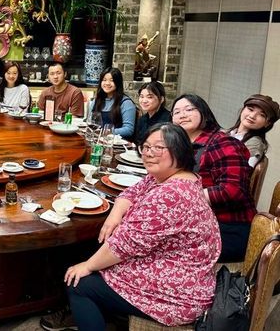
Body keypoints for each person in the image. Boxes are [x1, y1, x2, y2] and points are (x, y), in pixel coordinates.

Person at [44, 123, 220, 331]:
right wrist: (114, 216)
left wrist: (88, 266)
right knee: (91, 253)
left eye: (158, 148)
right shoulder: (175, 178)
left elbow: (124, 246)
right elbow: (131, 193)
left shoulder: (170, 194)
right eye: (145, 147)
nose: (148, 153)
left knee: (78, 283)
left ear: (179, 150)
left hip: (177, 294)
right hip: (176, 271)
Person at [171, 94, 255, 262]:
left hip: (227, 228)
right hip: (197, 222)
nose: (182, 115)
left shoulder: (223, 143)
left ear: (204, 112)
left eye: (189, 109)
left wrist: (181, 198)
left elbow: (232, 190)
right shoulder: (183, 146)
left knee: (154, 243)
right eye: (176, 112)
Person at [227, 94, 279, 167]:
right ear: (243, 109)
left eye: (262, 115)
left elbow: (241, 171)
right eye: (250, 109)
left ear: (267, 123)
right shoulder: (226, 133)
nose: (252, 116)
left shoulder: (255, 144)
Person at [89, 67, 137, 139]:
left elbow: (128, 130)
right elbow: (89, 121)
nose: (107, 83)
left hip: (117, 143)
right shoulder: (96, 100)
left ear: (118, 83)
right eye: (104, 80)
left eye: (112, 80)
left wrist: (106, 132)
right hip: (97, 139)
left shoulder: (126, 103)